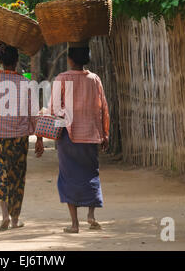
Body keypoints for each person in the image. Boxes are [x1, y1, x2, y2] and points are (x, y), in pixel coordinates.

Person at [0, 42, 44, 231]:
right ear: (16, 61)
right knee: (17, 176)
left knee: (1, 172)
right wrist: (39, 138)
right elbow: (34, 113)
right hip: (18, 135)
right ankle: (15, 220)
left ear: (0, 60)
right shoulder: (25, 82)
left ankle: (4, 215)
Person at [50, 42, 110, 234]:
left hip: (69, 136)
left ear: (69, 59)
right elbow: (103, 109)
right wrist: (105, 133)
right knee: (91, 174)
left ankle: (74, 224)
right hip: (91, 134)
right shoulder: (94, 79)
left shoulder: (61, 78)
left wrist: (55, 135)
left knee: (69, 177)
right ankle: (91, 215)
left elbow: (54, 110)